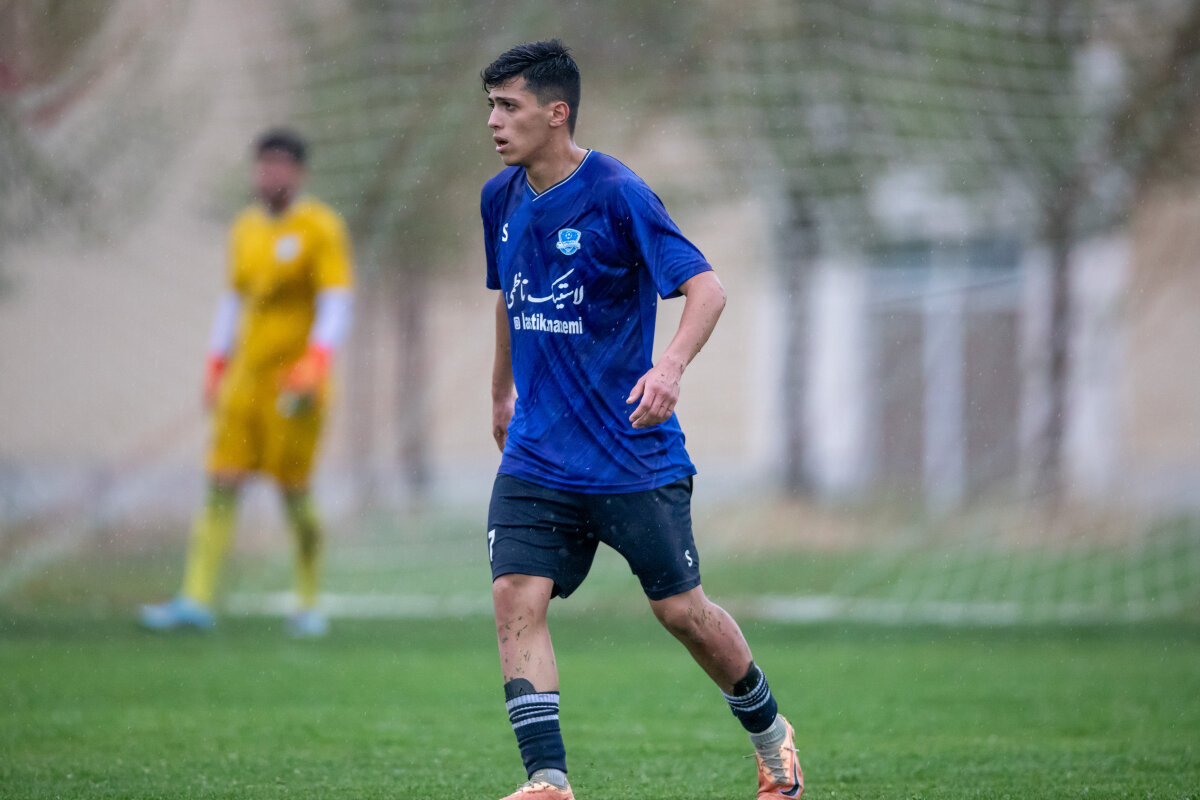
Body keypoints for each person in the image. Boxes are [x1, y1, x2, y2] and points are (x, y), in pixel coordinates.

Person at [480, 41, 802, 800]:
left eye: (508, 106)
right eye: (490, 106)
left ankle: (773, 737)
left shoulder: (619, 193)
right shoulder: (499, 196)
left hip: (629, 453)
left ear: (556, 113)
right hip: (538, 454)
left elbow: (707, 289)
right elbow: (509, 294)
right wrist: (499, 391)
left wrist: (670, 367)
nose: (493, 121)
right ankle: (548, 782)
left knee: (681, 612)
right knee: (514, 595)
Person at [140, 128, 354, 638]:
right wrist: (216, 363)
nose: (268, 175)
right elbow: (233, 300)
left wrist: (317, 361)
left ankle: (307, 602)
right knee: (222, 480)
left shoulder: (320, 227)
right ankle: (195, 599)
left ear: (298, 173)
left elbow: (336, 301)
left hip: (296, 385)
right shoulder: (245, 229)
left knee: (293, 490)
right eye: (262, 165)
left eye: (278, 165)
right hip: (246, 382)